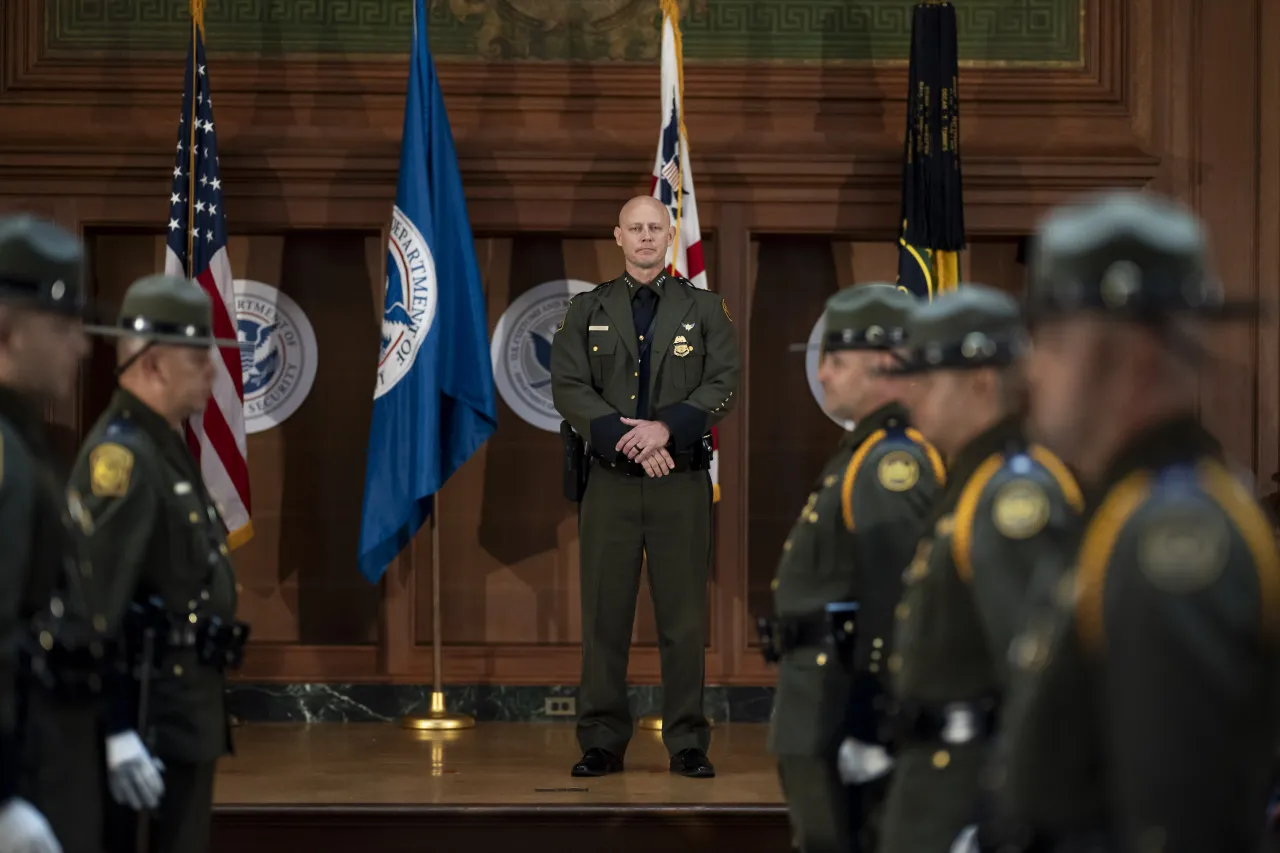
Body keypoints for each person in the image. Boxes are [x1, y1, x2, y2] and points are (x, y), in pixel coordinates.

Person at [973, 191, 1280, 852]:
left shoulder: (1172, 538)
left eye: (1051, 340)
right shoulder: (1127, 508)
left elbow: (1175, 822)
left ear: (1131, 355)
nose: (1030, 368)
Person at [874, 284, 1084, 853]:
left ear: (982, 382)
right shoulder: (972, 480)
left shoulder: (1012, 496)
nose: (906, 394)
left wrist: (1002, 818)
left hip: (969, 793)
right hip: (938, 782)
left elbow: (1036, 681)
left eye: (925, 378)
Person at [550, 195, 739, 778]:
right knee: (605, 617)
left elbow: (723, 381)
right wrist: (625, 439)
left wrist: (665, 430)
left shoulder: (706, 308)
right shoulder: (587, 308)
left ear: (669, 233)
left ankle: (687, 741)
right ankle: (602, 740)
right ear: (618, 236)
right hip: (609, 483)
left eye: (655, 227)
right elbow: (567, 384)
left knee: (683, 620)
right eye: (635, 228)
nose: (646, 237)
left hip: (679, 484)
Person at [0, 214, 164, 853]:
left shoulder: (25, 445)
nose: (84, 345)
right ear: (8, 330)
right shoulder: (9, 460)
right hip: (32, 767)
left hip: (56, 749)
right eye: (64, 326)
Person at [761, 283, 945, 853]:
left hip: (841, 706)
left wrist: (873, 723)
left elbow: (897, 600)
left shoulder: (891, 463)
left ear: (886, 363)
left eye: (836, 361)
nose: (823, 376)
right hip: (819, 701)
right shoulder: (860, 454)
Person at [73, 274, 249, 853]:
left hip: (180, 716)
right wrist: (118, 728)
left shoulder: (161, 444)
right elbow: (95, 606)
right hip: (150, 718)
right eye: (200, 358)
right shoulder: (120, 459)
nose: (214, 372)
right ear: (152, 364)